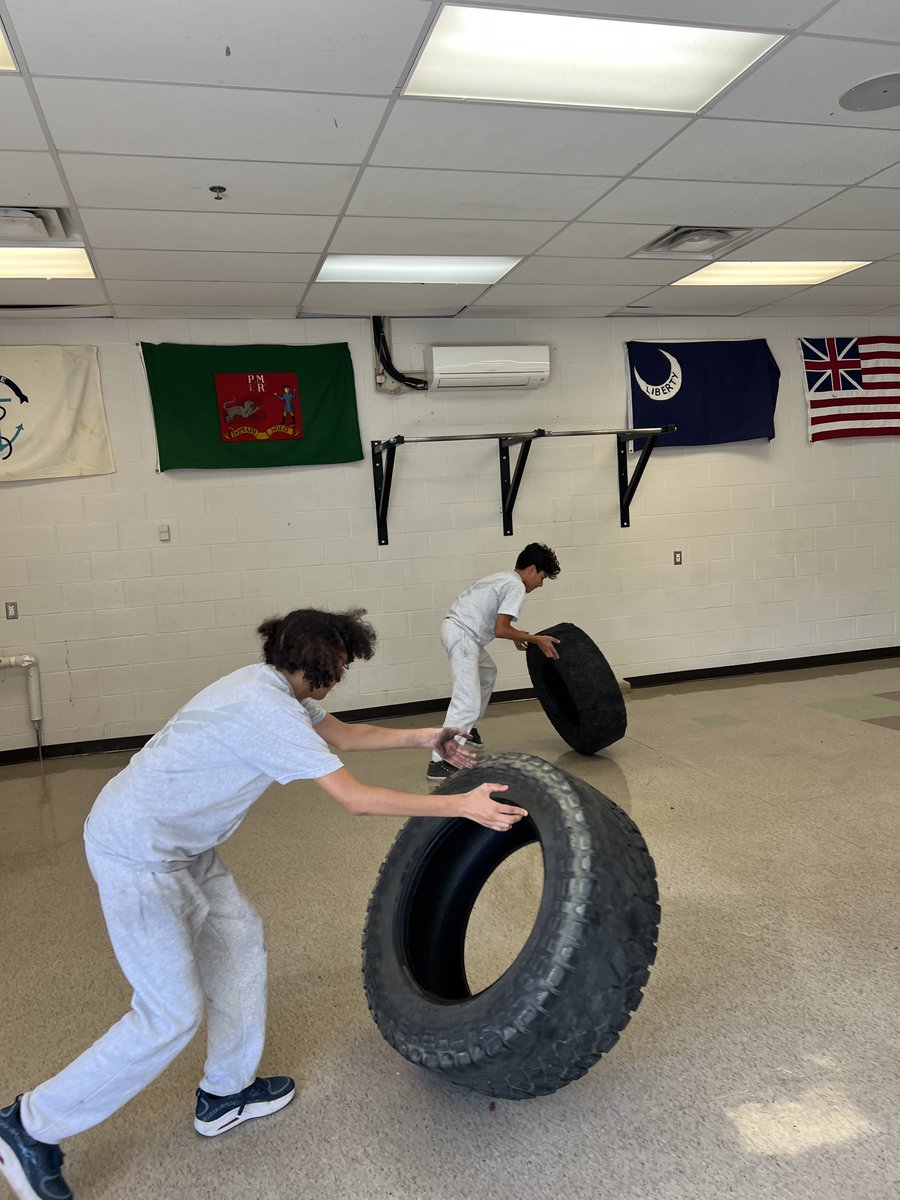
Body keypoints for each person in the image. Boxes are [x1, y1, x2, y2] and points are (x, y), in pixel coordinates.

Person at [0, 608, 527, 1200]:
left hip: (183, 845)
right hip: (137, 851)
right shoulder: (264, 708)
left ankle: (224, 1093)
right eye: (340, 667)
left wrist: (427, 736)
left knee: (241, 942)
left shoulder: (273, 686)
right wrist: (461, 806)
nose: (340, 678)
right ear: (318, 667)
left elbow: (341, 734)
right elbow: (355, 799)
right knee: (168, 1014)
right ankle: (28, 1126)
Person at [427, 542, 561, 783]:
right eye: (542, 577)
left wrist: (517, 635)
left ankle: (469, 730)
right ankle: (440, 762)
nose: (540, 584)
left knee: (488, 672)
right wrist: (537, 639)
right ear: (532, 569)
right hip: (463, 634)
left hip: (458, 630)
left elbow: (500, 625)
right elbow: (501, 629)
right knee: (466, 701)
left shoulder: (504, 578)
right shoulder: (516, 586)